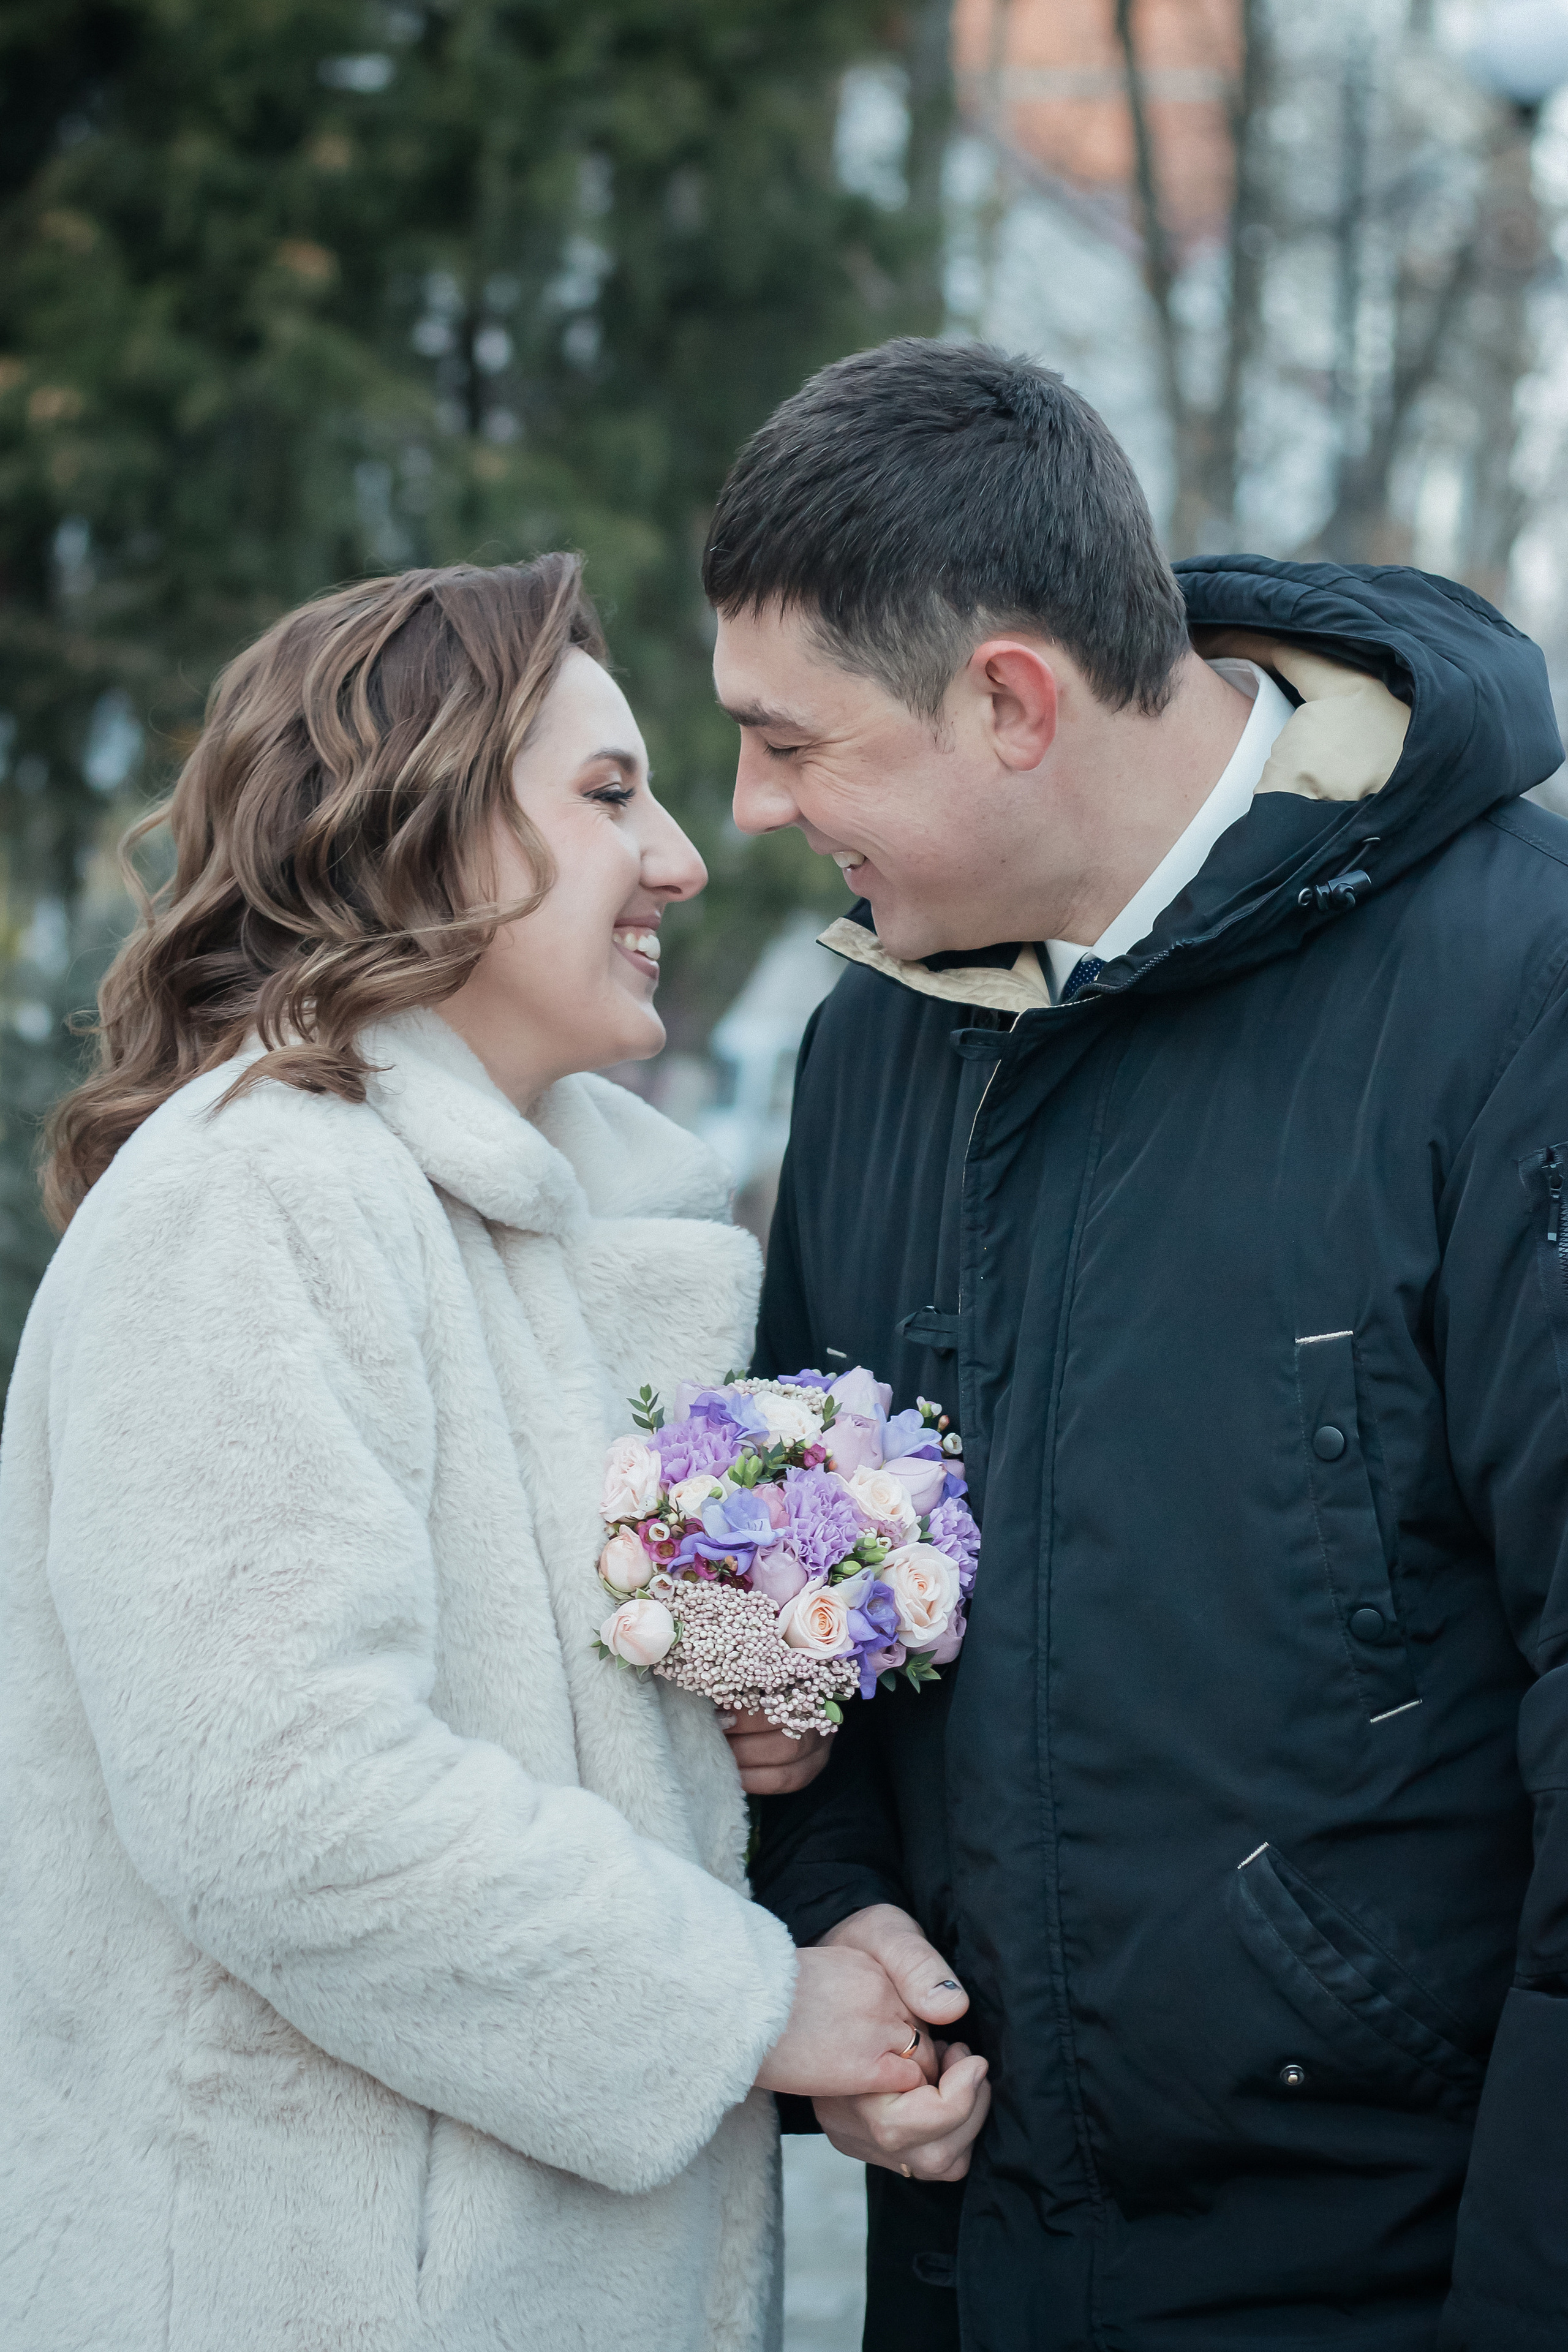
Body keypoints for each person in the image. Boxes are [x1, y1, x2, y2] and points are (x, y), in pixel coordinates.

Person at [703, 339, 1568, 2351]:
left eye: (792, 740)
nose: (744, 807)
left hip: (1390, 2276)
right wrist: (834, 1908)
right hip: (969, 2261)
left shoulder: (1517, 993)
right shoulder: (875, 1042)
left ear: (1011, 699)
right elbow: (802, 1588)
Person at [0, 555, 937, 2352]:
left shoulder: (552, 1240)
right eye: (607, 798)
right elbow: (281, 1799)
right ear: (415, 828)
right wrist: (750, 2007)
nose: (679, 856)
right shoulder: (253, 1196)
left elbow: (523, 1726)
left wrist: (760, 1723)